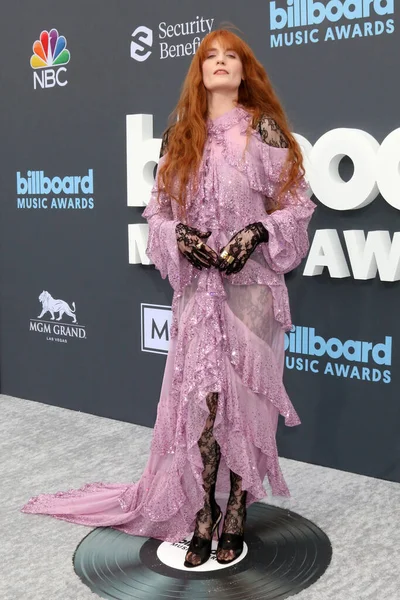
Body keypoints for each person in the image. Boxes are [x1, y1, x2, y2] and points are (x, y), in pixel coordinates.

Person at [21, 28, 316, 569]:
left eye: (232, 57)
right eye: (212, 57)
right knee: (202, 408)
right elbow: (157, 212)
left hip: (249, 289)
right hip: (198, 293)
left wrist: (255, 231)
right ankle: (203, 511)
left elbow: (296, 205)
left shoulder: (265, 131)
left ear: (245, 70)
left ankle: (236, 513)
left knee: (241, 405)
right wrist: (178, 237)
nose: (222, 64)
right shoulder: (178, 137)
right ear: (199, 70)